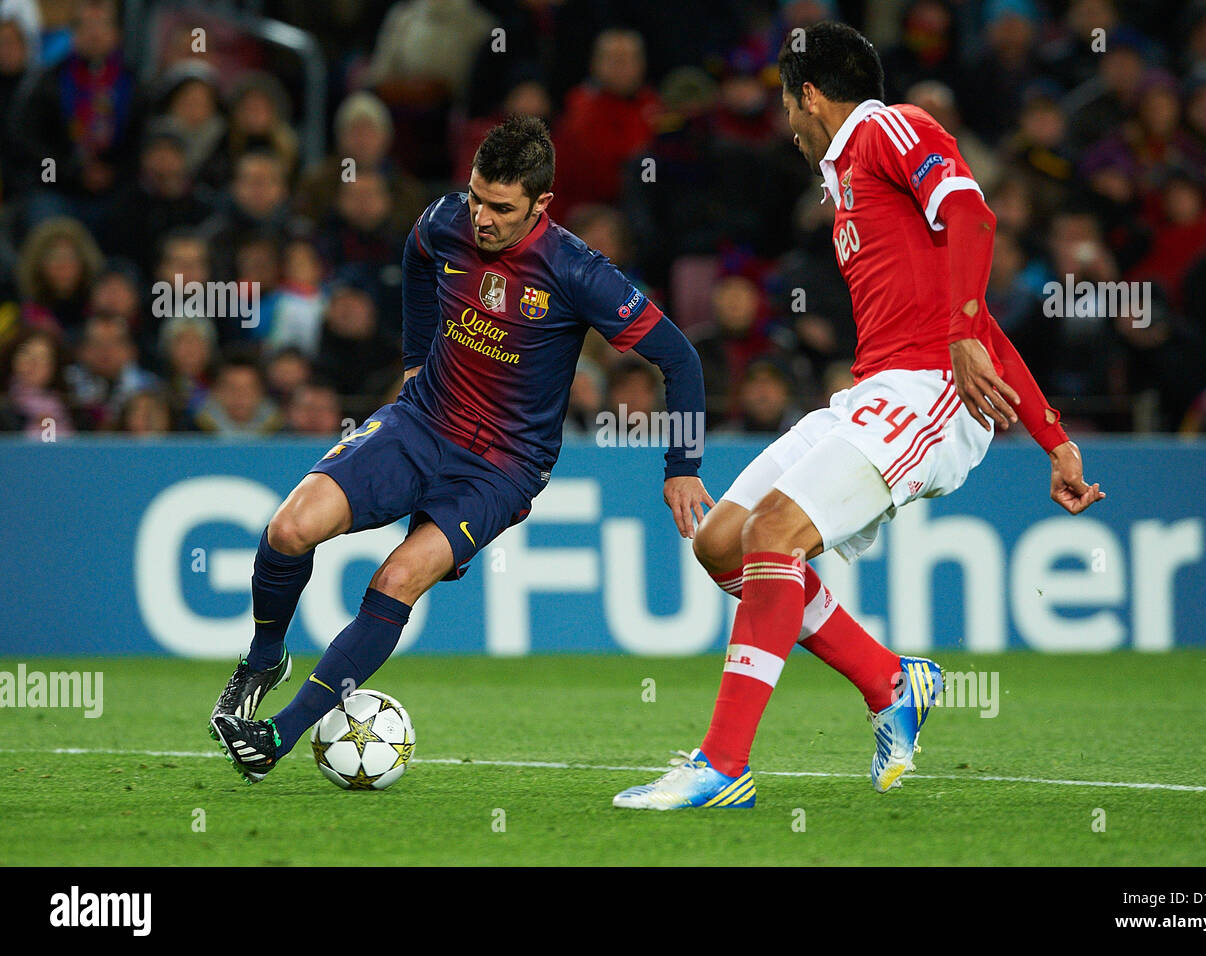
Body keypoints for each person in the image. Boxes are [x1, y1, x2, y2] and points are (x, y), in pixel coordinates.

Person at [614, 22, 1104, 811]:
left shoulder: (889, 125)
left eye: (787, 104)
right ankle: (889, 680)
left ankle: (723, 763)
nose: (786, 122)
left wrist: (962, 331)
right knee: (721, 544)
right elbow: (983, 328)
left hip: (925, 394)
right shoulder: (849, 177)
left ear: (809, 94)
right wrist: (1056, 439)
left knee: (775, 532)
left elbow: (975, 216)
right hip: (872, 393)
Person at [208, 117, 711, 782]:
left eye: (501, 207)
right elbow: (416, 262)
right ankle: (265, 656)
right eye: (476, 196)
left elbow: (680, 358)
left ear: (541, 204)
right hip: (422, 422)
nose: (482, 217)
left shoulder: (577, 271)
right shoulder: (444, 221)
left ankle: (278, 734)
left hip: (503, 466)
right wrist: (417, 362)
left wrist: (682, 469)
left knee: (396, 579)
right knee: (289, 527)